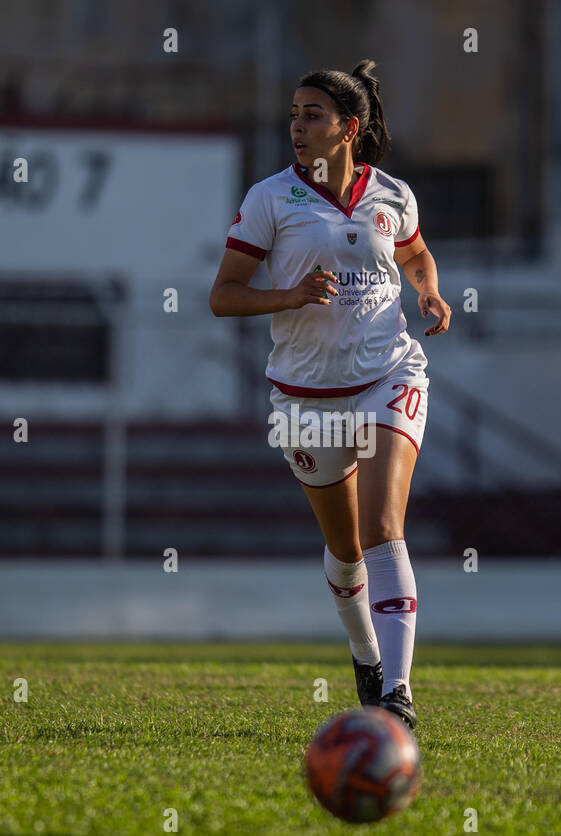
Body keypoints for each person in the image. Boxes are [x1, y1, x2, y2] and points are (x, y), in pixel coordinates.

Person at [209, 59, 451, 729]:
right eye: (293, 114)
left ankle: (397, 696)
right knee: (346, 553)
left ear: (348, 128)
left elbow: (413, 254)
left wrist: (428, 288)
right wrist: (290, 295)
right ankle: (365, 656)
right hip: (304, 401)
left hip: (388, 376)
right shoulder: (270, 199)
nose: (297, 126)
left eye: (312, 115)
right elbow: (222, 296)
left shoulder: (393, 195)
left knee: (382, 531)